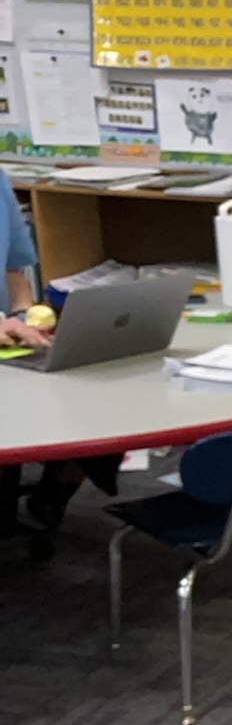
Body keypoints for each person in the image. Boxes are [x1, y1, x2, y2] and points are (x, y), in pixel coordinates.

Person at [0, 169, 120, 557]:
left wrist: (25, 314)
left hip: (9, 344)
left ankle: (51, 496)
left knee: (101, 392)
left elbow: (14, 272)